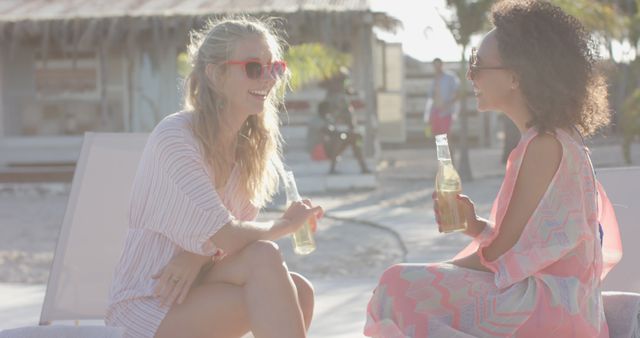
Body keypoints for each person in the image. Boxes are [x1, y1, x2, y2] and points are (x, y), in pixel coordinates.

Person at [365, 1, 622, 337]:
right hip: (565, 307)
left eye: (478, 64)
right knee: (404, 283)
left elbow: (503, 253)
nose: (470, 75)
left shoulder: (543, 146)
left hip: (550, 310)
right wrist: (474, 226)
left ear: (515, 77)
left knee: (396, 283)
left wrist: (440, 269)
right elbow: (527, 244)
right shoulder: (558, 139)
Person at [106, 17, 323, 338]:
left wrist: (198, 255)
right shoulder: (177, 137)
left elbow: (228, 241)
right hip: (147, 302)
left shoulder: (249, 148)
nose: (267, 78)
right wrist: (286, 225)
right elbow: (230, 236)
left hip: (196, 285)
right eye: (253, 67)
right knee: (272, 279)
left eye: (274, 67)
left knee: (298, 289)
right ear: (216, 74)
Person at [320, 68, 371, 174]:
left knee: (356, 140)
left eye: (343, 81)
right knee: (340, 137)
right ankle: (332, 168)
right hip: (332, 138)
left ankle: (363, 166)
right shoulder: (330, 100)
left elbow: (350, 119)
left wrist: (351, 127)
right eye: (340, 81)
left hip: (344, 134)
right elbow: (328, 121)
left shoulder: (343, 97)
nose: (342, 84)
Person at [424, 58, 460, 137]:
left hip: (447, 112)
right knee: (437, 137)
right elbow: (431, 98)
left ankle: (451, 150)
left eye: (438, 65)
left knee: (447, 137)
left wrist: (448, 105)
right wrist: (428, 115)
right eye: (435, 65)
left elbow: (457, 94)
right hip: (435, 111)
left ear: (442, 65)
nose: (437, 67)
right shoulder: (434, 80)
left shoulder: (450, 77)